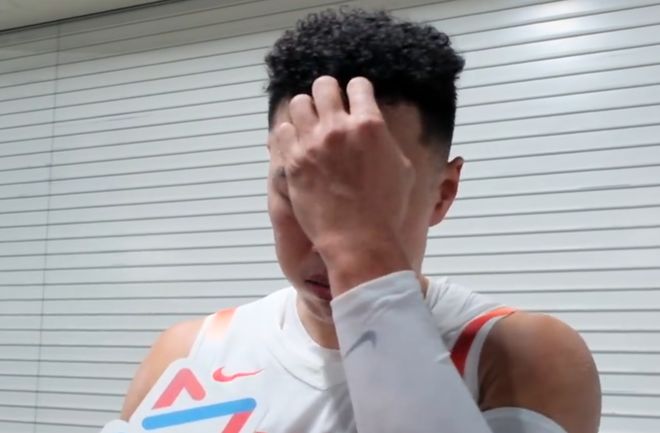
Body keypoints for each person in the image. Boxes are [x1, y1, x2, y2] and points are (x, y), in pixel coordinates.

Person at [119, 8, 601, 433]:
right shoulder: (187, 351)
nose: (325, 241)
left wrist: (360, 255)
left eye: (372, 194)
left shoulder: (518, 354)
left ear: (443, 194)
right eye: (302, 186)